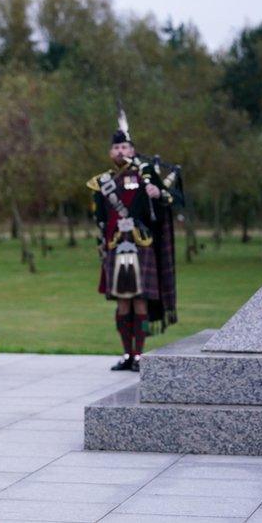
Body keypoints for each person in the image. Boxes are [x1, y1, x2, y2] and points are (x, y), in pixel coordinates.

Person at [86, 111, 179, 372]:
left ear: (133, 149)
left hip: (141, 246)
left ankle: (139, 355)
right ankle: (127, 354)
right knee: (122, 302)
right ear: (110, 152)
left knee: (140, 301)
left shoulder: (146, 176)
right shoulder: (102, 182)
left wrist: (157, 192)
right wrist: (102, 246)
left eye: (124, 146)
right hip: (116, 246)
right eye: (115, 147)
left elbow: (166, 202)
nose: (119, 150)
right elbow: (101, 220)